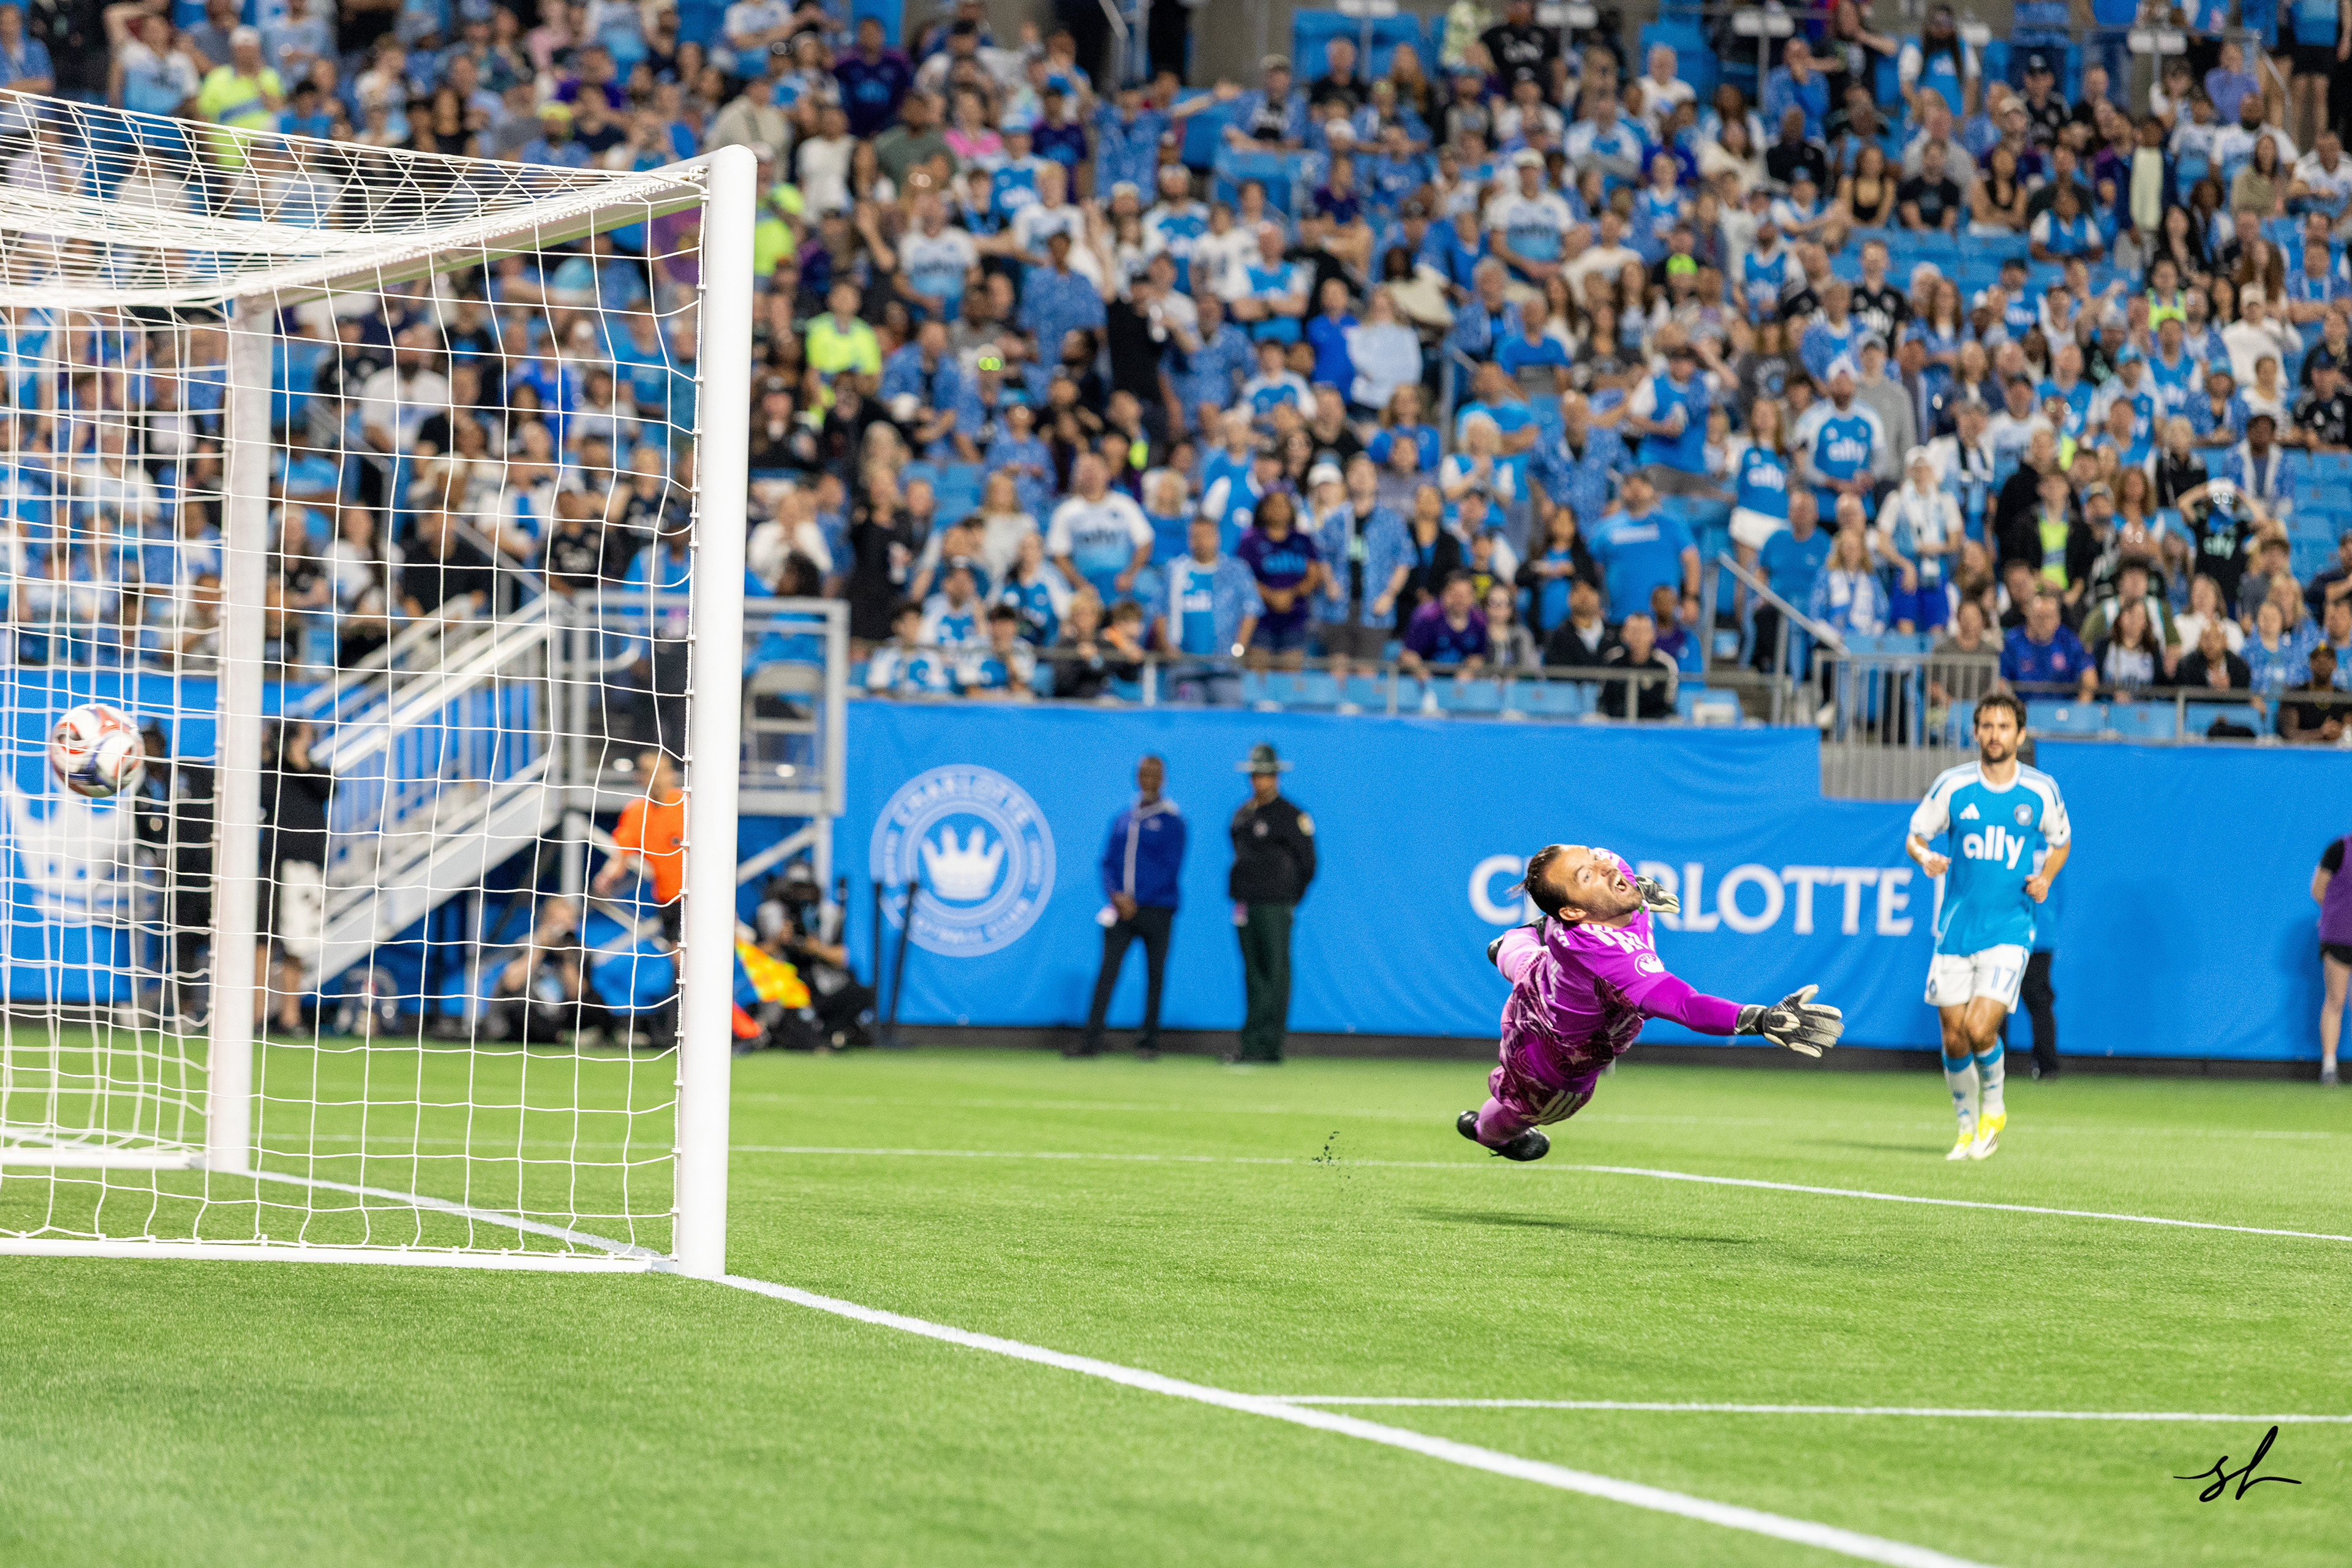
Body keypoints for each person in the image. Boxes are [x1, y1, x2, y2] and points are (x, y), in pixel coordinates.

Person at [1458, 846, 1842, 1161]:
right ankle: (1487, 1135)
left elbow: (1611, 878)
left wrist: (1638, 887)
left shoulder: (1609, 873)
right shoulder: (1612, 956)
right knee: (1520, 1109)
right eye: (1587, 875)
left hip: (1543, 974)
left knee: (1522, 955)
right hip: (1550, 1053)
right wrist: (1757, 1019)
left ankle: (1508, 942)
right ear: (1574, 911)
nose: (1605, 866)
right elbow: (1686, 1006)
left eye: (1592, 856)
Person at [1904, 692, 2071, 1161]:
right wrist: (1926, 857)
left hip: (2011, 929)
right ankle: (1965, 1125)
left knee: (1981, 1028)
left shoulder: (2040, 790)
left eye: (2004, 727)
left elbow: (2061, 840)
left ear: (2020, 734)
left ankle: (1993, 1109)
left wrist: (2045, 879)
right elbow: (1916, 835)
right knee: (1954, 1036)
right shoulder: (1953, 786)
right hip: (1957, 929)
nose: (1994, 735)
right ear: (1976, 732)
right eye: (1987, 726)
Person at [1075, 755, 1186, 1061]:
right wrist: (1116, 895)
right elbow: (1108, 862)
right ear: (1137, 778)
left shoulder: (1172, 821)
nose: (1148, 779)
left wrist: (1137, 899)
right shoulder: (1124, 819)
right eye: (1143, 774)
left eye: (1154, 774)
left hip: (1157, 909)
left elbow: (1171, 867)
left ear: (1162, 779)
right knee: (1107, 972)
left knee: (1155, 974)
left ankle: (1149, 1041)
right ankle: (1090, 1040)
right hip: (1121, 910)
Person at [1226, 742, 1315, 1065]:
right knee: (1253, 973)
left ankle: (1269, 1045)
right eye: (1255, 776)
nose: (1260, 782)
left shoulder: (1291, 817)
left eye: (1265, 775)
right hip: (1246, 904)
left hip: (1276, 904)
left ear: (1275, 777)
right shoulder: (1243, 815)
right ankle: (1251, 1043)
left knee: (1275, 972)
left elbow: (1308, 864)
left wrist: (1289, 897)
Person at [258, 720, 332, 1035]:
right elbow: (258, 791)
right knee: (262, 939)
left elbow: (327, 789)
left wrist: (298, 756)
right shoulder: (270, 772)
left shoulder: (318, 773)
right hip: (275, 865)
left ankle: (290, 1016)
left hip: (305, 870)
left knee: (297, 945)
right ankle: (255, 1014)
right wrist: (267, 751)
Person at [595, 748, 687, 938]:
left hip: (700, 894)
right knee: (679, 960)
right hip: (668, 899)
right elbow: (620, 857)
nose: (657, 778)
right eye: (650, 772)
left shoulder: (688, 804)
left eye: (662, 771)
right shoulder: (636, 813)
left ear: (672, 775)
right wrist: (605, 878)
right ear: (640, 777)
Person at [2312, 827, 2352, 1084]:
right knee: (2336, 998)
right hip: (2338, 937)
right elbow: (2318, 889)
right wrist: (2331, 917)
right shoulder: (2339, 849)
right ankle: (2329, 1067)